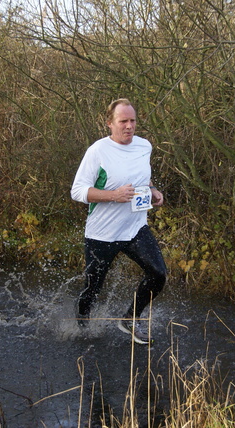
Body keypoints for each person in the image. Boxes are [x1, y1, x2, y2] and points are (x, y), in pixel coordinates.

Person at [70, 99, 167, 345]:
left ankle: (129, 319)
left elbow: (142, 175)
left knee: (158, 275)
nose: (129, 126)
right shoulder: (98, 151)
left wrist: (153, 189)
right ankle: (82, 330)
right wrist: (114, 196)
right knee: (93, 288)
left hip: (135, 228)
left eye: (132, 120)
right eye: (123, 121)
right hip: (102, 234)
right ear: (109, 124)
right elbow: (78, 191)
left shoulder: (144, 146)